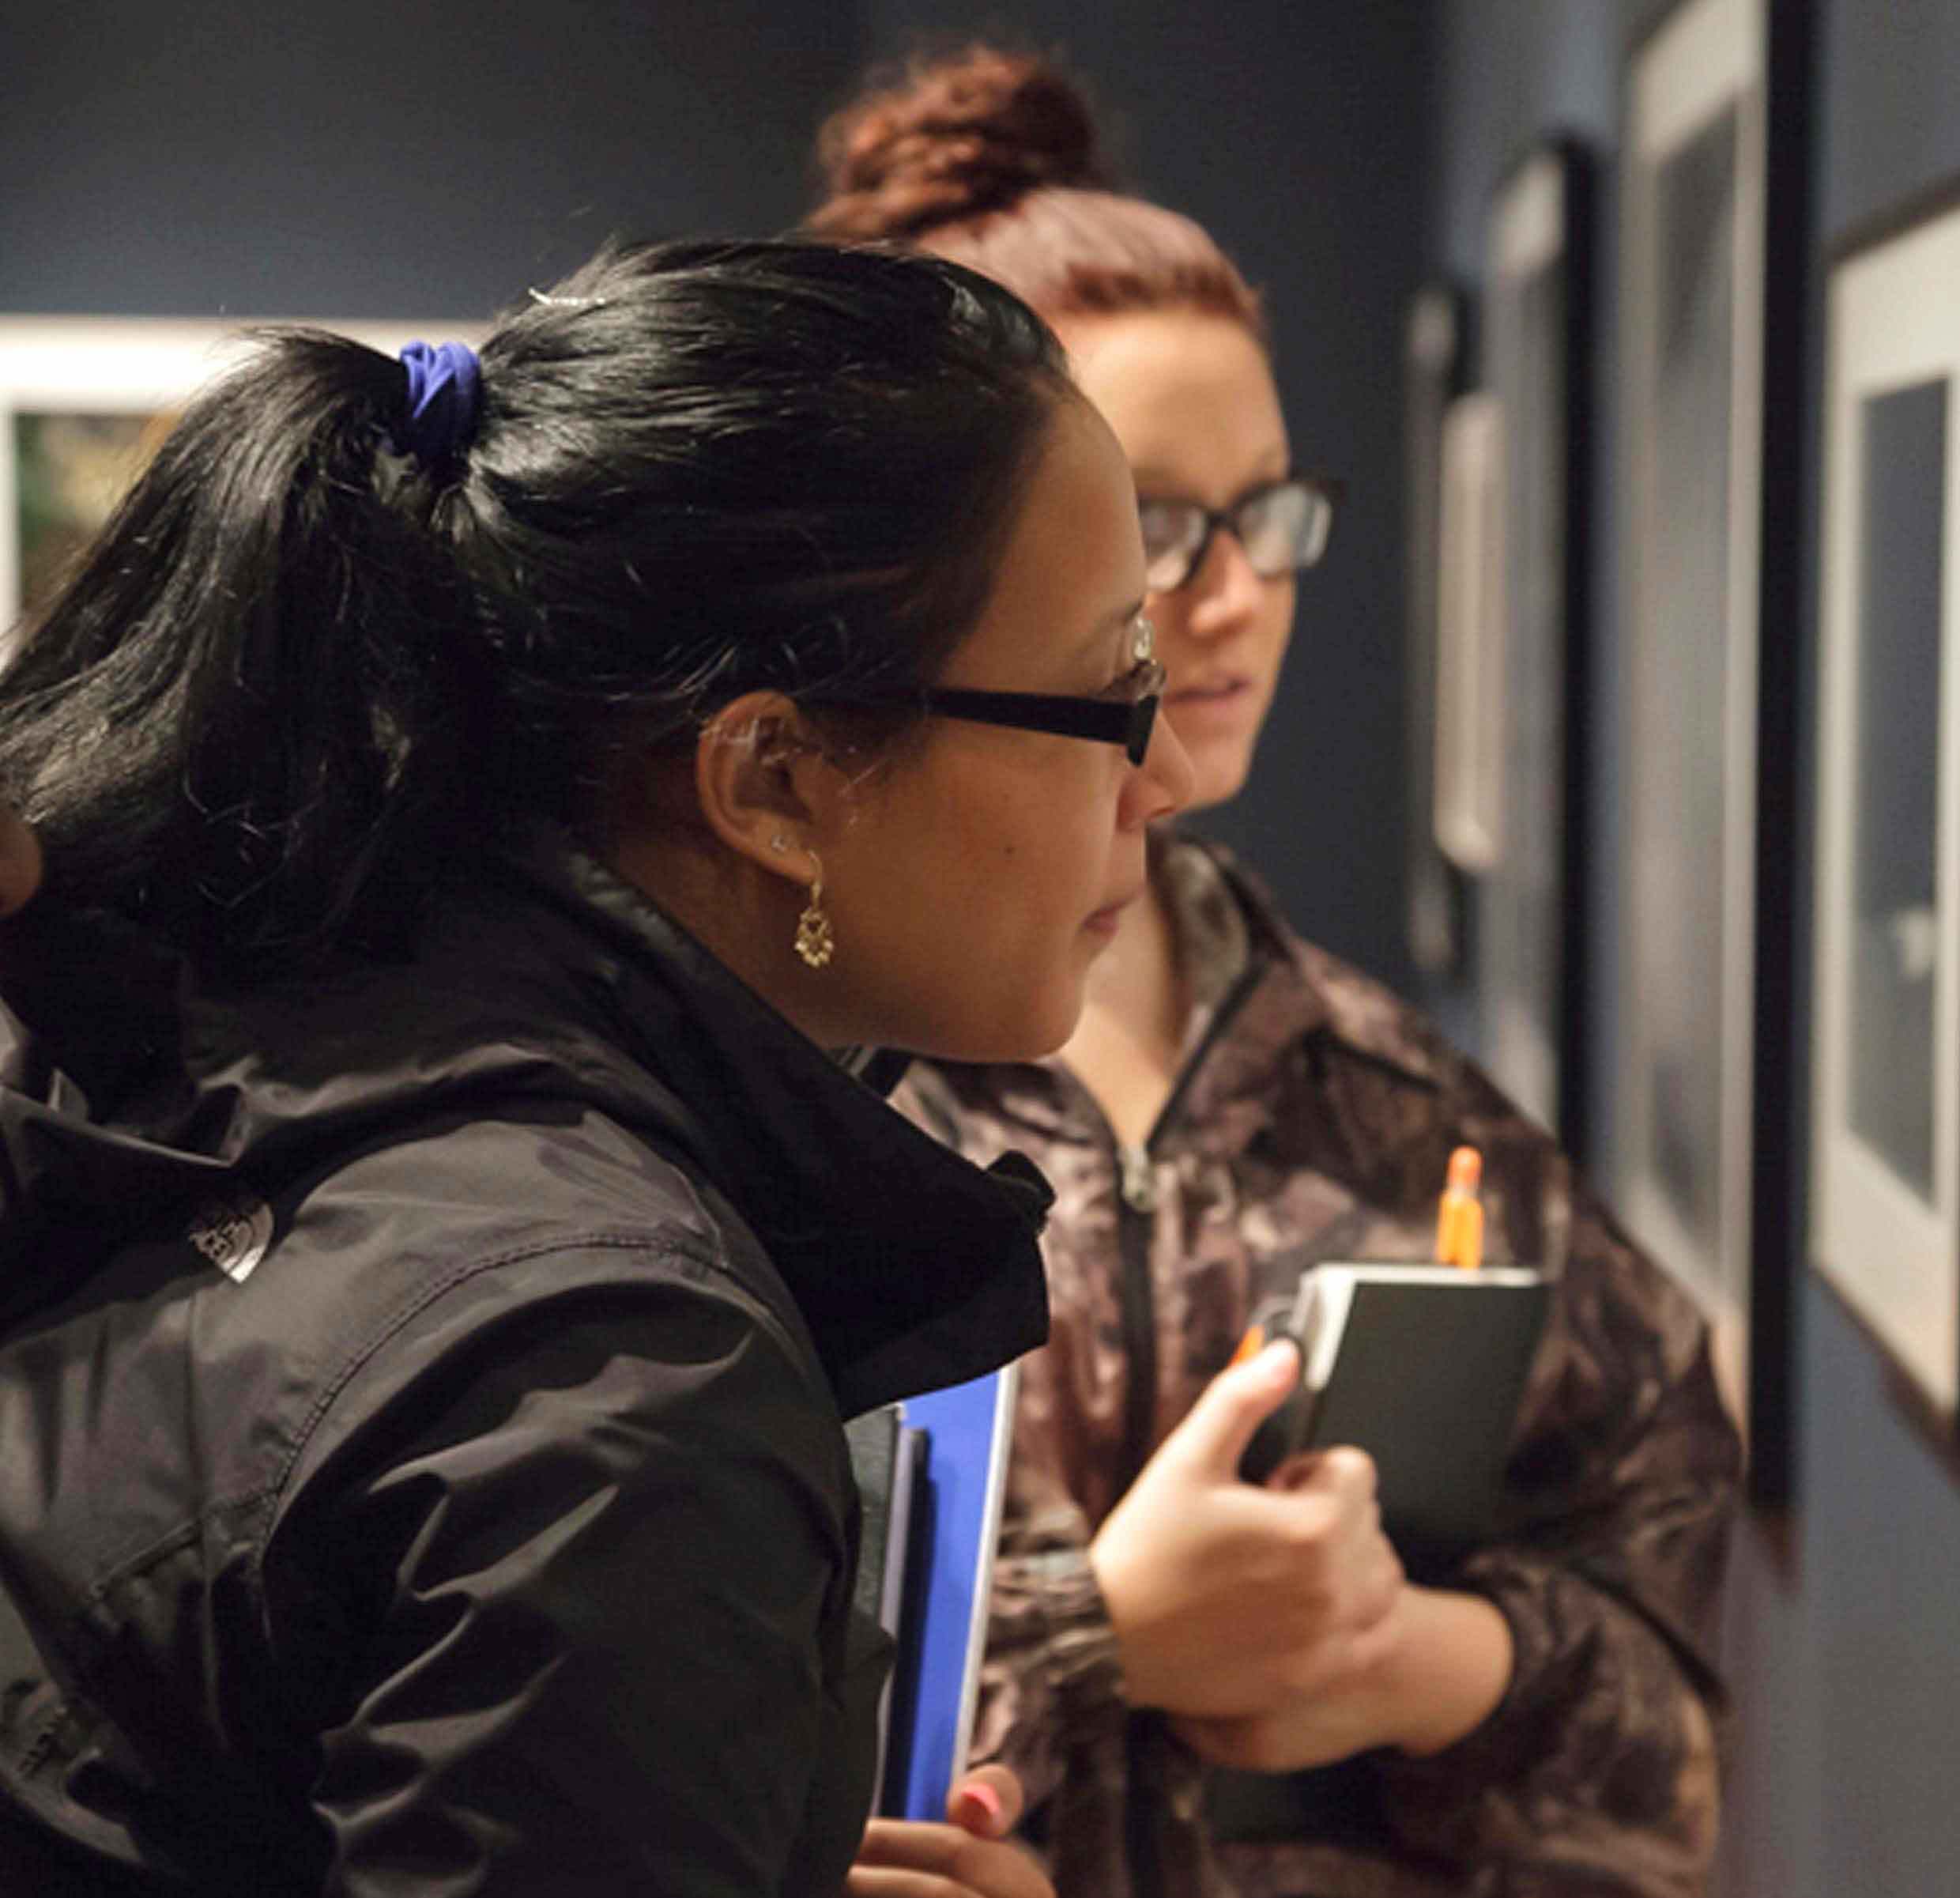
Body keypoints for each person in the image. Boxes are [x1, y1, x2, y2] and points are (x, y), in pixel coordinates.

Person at [0, 236, 1269, 1897]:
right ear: (779, 782)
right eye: (1111, 694)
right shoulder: (609, 1389)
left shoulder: (253, 1065)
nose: (1161, 772)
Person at [810, 48, 1742, 1898]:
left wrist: (1426, 1663)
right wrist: (1097, 1633)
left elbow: (1665, 1622)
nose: (1235, 594)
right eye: (1158, 521)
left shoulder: (1375, 1079)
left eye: (1273, 512)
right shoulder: (796, 1073)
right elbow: (600, 1670)